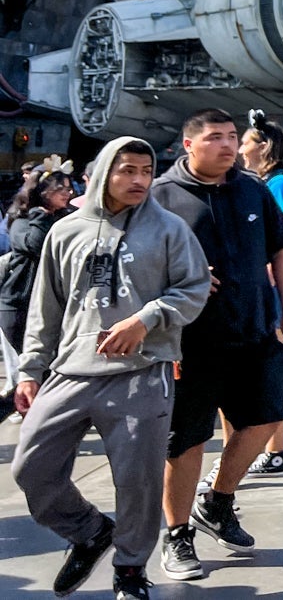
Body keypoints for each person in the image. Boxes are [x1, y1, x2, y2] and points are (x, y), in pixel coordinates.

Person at [11, 137, 210, 600]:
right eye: (127, 170)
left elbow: (194, 288)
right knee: (31, 467)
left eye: (146, 171)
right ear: (104, 173)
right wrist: (30, 369)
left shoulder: (170, 229)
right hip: (72, 370)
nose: (139, 180)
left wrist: (146, 320)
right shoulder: (65, 231)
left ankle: (131, 570)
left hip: (142, 371)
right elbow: (46, 307)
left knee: (137, 480)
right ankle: (89, 531)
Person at [150, 108, 283, 582]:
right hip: (190, 340)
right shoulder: (161, 196)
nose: (228, 145)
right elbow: (136, 261)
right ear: (189, 144)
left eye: (233, 136)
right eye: (215, 137)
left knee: (265, 418)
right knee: (186, 438)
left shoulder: (253, 189)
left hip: (255, 328)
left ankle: (217, 501)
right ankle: (177, 536)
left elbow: (280, 248)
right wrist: (179, 279)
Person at [240, 110, 283, 477]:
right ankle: (272, 450)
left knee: (272, 366)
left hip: (276, 277)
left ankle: (275, 451)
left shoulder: (280, 184)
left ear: (262, 146)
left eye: (245, 141)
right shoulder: (268, 182)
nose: (239, 149)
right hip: (270, 276)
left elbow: (281, 238)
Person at [1, 171, 74, 357]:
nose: (67, 193)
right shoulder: (22, 221)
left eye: (69, 188)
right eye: (60, 188)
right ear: (42, 191)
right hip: (21, 304)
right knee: (30, 361)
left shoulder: (67, 219)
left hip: (56, 303)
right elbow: (36, 245)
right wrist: (40, 216)